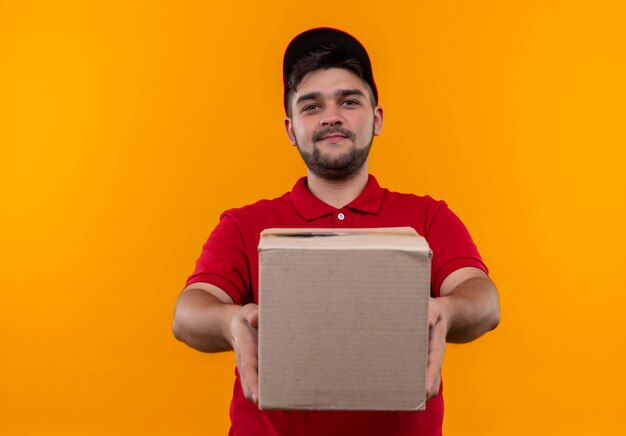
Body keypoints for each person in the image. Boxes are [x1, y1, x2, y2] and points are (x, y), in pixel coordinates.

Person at [172, 27, 500, 436]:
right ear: (291, 129)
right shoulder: (244, 225)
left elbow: (483, 298)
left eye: (349, 101)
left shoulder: (428, 217)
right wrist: (231, 321)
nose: (331, 116)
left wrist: (445, 311)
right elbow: (187, 312)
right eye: (311, 106)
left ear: (376, 119)